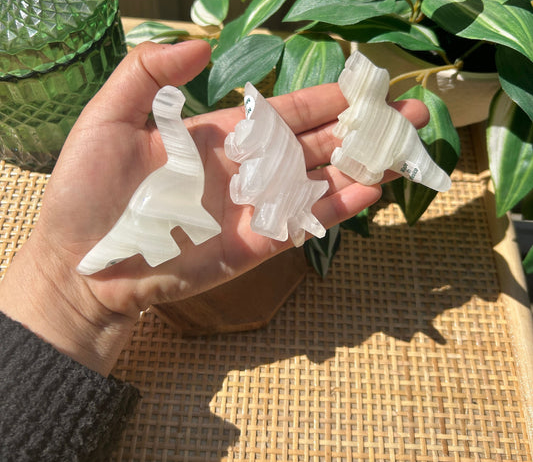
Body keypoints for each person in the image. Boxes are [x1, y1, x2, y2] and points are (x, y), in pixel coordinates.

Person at [0, 40, 429, 461]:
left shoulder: (210, 166)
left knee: (207, 206)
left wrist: (69, 296)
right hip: (159, 217)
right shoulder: (187, 174)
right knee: (176, 216)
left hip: (218, 199)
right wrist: (70, 288)